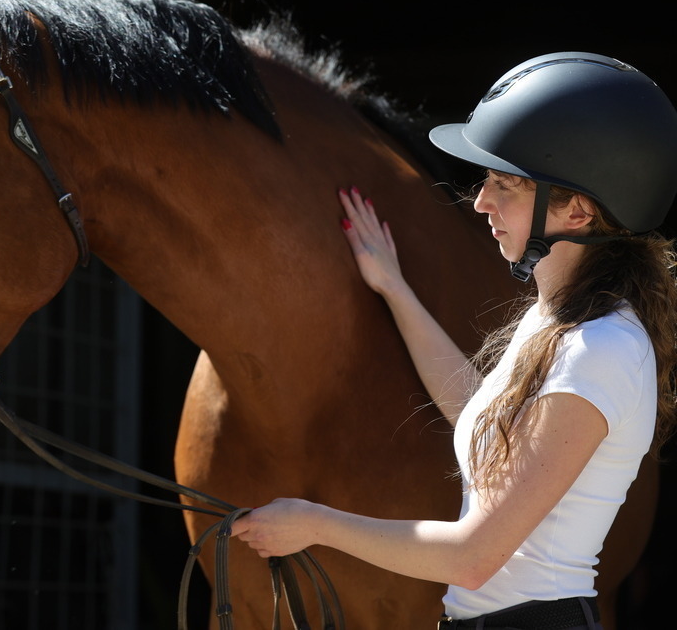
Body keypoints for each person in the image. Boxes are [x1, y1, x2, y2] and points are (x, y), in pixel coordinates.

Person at [229, 52, 677, 629]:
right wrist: (394, 288)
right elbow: (475, 407)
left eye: (505, 184)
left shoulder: (600, 350)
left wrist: (313, 524)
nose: (481, 201)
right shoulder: (557, 321)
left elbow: (473, 557)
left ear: (578, 210)